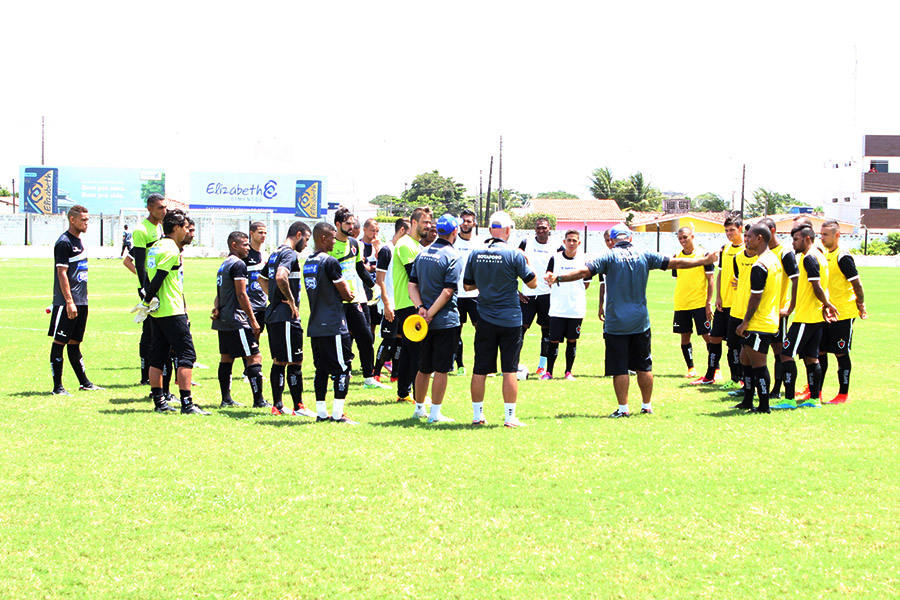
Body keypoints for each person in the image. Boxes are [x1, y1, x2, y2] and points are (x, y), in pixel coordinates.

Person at [547, 224, 718, 418]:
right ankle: (647, 405)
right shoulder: (644, 254)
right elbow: (676, 263)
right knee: (644, 366)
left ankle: (623, 409)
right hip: (640, 321)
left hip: (616, 323)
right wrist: (704, 260)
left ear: (612, 240)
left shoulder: (608, 256)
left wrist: (558, 277)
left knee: (619, 367)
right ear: (631, 238)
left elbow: (584, 272)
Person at [464, 211, 536, 428]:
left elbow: (468, 286)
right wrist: (527, 261)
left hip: (484, 318)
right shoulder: (514, 254)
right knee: (510, 369)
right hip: (510, 319)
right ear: (508, 230)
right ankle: (509, 417)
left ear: (489, 230)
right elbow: (532, 283)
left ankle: (478, 416)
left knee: (480, 369)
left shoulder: (475, 252)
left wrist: (486, 284)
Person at [141, 209, 207, 414]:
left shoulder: (155, 246)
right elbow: (158, 281)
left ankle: (159, 403)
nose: (188, 232)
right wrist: (145, 301)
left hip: (158, 310)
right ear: (176, 227)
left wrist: (148, 304)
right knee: (187, 353)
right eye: (186, 227)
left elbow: (147, 277)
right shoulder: (171, 249)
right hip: (171, 309)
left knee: (157, 355)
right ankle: (187, 403)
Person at [775, 225, 838, 409]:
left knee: (786, 354)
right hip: (814, 317)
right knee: (812, 358)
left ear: (807, 239)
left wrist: (827, 304)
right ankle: (813, 399)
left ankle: (788, 399)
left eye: (796, 239)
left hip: (806, 318)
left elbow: (817, 286)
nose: (793, 243)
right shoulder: (819, 256)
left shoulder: (810, 257)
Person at [408, 214, 462, 423]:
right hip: (444, 320)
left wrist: (420, 308)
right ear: (454, 232)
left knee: (424, 367)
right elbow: (448, 292)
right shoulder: (452, 255)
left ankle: (419, 408)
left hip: (423, 322)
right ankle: (435, 413)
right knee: (441, 369)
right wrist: (430, 314)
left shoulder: (422, 253)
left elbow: (412, 285)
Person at [303, 222, 358, 424]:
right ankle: (337, 414)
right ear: (324, 238)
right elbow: (345, 292)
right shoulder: (330, 262)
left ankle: (321, 413)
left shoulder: (308, 262)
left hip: (315, 325)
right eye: (333, 237)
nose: (335, 241)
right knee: (343, 368)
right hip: (334, 324)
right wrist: (349, 294)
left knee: (321, 370)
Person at [330, 208, 387, 390]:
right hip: (336, 301)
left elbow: (360, 269)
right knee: (338, 339)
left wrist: (373, 286)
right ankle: (332, 371)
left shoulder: (355, 244)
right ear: (338, 224)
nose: (351, 226)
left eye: (352, 222)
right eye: (347, 223)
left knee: (365, 336)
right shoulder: (330, 245)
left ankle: (369, 378)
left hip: (355, 300)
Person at [211, 231, 269, 409]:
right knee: (254, 356)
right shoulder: (238, 265)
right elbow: (242, 294)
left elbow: (220, 293)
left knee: (226, 358)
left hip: (223, 320)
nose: (248, 247)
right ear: (234, 246)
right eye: (244, 244)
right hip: (237, 320)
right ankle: (259, 400)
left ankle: (226, 399)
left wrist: (216, 307)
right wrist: (252, 319)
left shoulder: (224, 264)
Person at [259, 222, 312, 415]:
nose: (306, 244)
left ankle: (277, 405)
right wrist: (290, 301)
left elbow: (261, 279)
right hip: (285, 317)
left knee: (279, 361)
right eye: (306, 239)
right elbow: (281, 277)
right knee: (295, 361)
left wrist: (273, 297)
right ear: (298, 234)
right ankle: (299, 406)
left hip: (273, 314)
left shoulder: (275, 253)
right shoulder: (289, 253)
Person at [49, 205, 102, 395]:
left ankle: (84, 382)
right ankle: (58, 387)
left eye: (88, 219)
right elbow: (62, 274)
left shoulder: (80, 242)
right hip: (67, 303)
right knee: (59, 342)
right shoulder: (64, 242)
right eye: (83, 220)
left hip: (81, 302)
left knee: (74, 343)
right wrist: (69, 301)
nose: (86, 223)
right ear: (72, 219)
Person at [731, 224, 784, 414]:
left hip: (759, 322)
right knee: (745, 360)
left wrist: (744, 322)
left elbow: (756, 297)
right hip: (767, 319)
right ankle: (747, 400)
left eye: (749, 237)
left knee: (759, 365)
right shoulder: (773, 260)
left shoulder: (760, 265)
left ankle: (763, 406)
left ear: (760, 238)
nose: (746, 240)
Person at [819, 219, 867, 404]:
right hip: (826, 312)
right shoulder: (825, 254)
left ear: (837, 235)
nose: (822, 238)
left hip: (843, 313)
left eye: (826, 235)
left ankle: (842, 394)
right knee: (820, 352)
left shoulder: (843, 256)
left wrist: (860, 304)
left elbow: (857, 284)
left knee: (841, 353)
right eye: (821, 234)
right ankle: (817, 391)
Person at [693, 215, 744, 387]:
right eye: (726, 230)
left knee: (733, 344)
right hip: (724, 303)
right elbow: (721, 273)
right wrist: (718, 297)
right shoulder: (725, 249)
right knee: (714, 339)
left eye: (732, 230)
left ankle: (737, 379)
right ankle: (709, 375)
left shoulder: (747, 250)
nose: (729, 233)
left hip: (739, 306)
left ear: (740, 229)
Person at [391, 207, 433, 403]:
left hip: (411, 304)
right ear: (414, 222)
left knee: (408, 351)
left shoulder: (417, 245)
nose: (429, 226)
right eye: (425, 222)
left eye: (430, 222)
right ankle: (420, 398)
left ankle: (403, 393)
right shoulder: (406, 244)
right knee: (419, 353)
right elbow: (415, 277)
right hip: (410, 305)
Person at [124, 193, 167, 385]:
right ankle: (145, 375)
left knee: (158, 330)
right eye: (160, 207)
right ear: (149, 208)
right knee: (149, 331)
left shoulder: (160, 228)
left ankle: (154, 374)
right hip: (149, 288)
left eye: (165, 207)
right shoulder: (141, 230)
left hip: (160, 285)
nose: (163, 211)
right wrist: (144, 288)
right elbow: (138, 262)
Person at [542, 229, 590, 381]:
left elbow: (587, 283)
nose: (571, 243)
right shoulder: (555, 258)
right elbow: (548, 276)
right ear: (564, 242)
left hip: (575, 309)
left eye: (574, 240)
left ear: (579, 243)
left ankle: (568, 372)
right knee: (553, 340)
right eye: (568, 240)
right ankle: (548, 372)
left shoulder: (584, 260)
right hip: (557, 308)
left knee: (572, 340)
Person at [759, 217, 798, 399]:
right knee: (758, 350)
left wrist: (789, 307)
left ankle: (776, 388)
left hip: (778, 312)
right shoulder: (760, 253)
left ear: (772, 231)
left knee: (779, 351)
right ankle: (758, 386)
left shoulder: (785, 253)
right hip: (762, 311)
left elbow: (796, 280)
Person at [723, 228, 765, 397]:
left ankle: (760, 389)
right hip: (736, 310)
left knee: (753, 354)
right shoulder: (738, 257)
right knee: (737, 350)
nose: (747, 239)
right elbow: (738, 280)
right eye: (746, 236)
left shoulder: (762, 259)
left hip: (752, 314)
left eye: (749, 236)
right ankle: (743, 384)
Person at [670, 226, 714, 379]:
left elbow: (711, 280)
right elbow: (678, 279)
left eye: (685, 237)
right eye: (680, 238)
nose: (683, 241)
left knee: (708, 336)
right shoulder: (676, 256)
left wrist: (709, 302)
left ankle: (715, 368)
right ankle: (691, 368)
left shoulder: (704, 255)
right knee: (684, 336)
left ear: (693, 237)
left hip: (699, 303)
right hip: (681, 303)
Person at [518, 217, 557, 377]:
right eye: (538, 228)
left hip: (547, 295)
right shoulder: (525, 243)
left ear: (549, 229)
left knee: (546, 332)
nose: (541, 231)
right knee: (520, 330)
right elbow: (513, 264)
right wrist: (517, 291)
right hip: (527, 295)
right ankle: (512, 364)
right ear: (535, 229)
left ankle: (542, 366)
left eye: (544, 228)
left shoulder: (557, 245)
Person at [372, 218, 409, 382]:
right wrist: (387, 304)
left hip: (401, 303)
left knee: (400, 340)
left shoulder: (402, 250)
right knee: (388, 340)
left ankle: (395, 374)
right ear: (402, 231)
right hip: (390, 303)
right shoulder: (387, 250)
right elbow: (379, 279)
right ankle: (376, 373)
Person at [452, 209, 480, 376]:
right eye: (463, 220)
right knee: (456, 330)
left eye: (469, 221)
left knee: (482, 330)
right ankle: (459, 364)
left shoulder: (479, 243)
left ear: (474, 224)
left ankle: (483, 364)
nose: (465, 223)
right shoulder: (453, 242)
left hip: (475, 295)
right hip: (456, 295)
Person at [245, 222, 268, 340]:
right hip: (249, 304)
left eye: (265, 233)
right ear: (251, 233)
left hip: (262, 304)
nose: (263, 235)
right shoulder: (245, 254)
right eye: (260, 233)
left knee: (257, 337)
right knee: (250, 339)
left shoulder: (265, 255)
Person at [360, 218, 383, 338]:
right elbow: (359, 266)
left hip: (375, 291)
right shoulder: (358, 245)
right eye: (373, 230)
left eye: (377, 231)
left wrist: (378, 249)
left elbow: (383, 266)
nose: (375, 234)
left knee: (373, 324)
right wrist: (371, 268)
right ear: (364, 230)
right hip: (362, 290)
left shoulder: (379, 247)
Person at [596, 228, 615, 321]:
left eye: (612, 239)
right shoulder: (603, 259)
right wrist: (600, 306)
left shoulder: (627, 257)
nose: (610, 242)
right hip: (609, 306)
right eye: (607, 240)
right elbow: (602, 285)